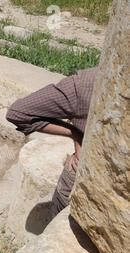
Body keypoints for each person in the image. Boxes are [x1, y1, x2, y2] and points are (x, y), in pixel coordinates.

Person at [6, 68, 97, 215]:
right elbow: (18, 113)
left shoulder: (87, 82)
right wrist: (76, 134)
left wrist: (76, 134)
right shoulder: (87, 83)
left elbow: (17, 113)